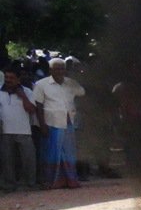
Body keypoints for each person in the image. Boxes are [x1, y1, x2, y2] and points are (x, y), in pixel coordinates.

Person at [34, 57, 84, 189]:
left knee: (69, 153)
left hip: (68, 123)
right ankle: (51, 181)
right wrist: (42, 125)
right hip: (51, 123)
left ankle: (71, 180)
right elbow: (38, 105)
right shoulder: (41, 84)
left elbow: (82, 93)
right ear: (50, 70)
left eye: (62, 68)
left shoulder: (71, 83)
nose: (59, 71)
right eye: (56, 69)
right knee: (52, 153)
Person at [1, 65, 37, 191]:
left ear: (18, 79)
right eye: (6, 77)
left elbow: (32, 110)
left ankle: (30, 184)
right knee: (7, 160)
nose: (8, 80)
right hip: (5, 131)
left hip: (24, 131)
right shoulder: (0, 91)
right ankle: (9, 185)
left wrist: (22, 96)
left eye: (11, 78)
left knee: (28, 159)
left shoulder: (27, 91)